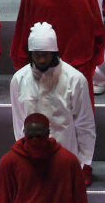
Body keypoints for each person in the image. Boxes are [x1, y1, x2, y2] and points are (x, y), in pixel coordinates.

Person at [13, 0, 105, 95]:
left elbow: (97, 31)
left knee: (80, 117)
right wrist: (22, 66)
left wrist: (93, 63)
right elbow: (23, 32)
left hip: (79, 69)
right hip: (43, 71)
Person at [11, 23, 96, 178]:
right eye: (37, 54)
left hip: (66, 158)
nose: (42, 59)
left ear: (54, 52)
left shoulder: (75, 79)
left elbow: (85, 124)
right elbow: (19, 123)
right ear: (30, 53)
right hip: (32, 159)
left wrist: (82, 162)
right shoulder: (19, 79)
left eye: (46, 54)